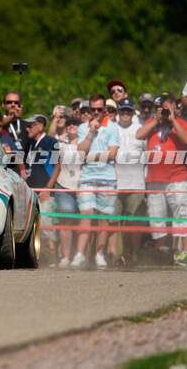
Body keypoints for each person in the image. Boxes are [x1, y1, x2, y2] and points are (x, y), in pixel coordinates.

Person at [136, 92, 187, 266]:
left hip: (177, 177)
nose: (160, 110)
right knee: (157, 216)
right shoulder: (152, 122)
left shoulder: (181, 122)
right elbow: (139, 135)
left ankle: (185, 252)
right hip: (155, 178)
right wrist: (156, 119)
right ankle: (161, 251)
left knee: (182, 213)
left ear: (173, 106)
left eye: (163, 107)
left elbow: (186, 139)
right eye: (157, 108)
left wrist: (172, 119)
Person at [72, 94, 119, 269]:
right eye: (93, 110)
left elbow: (112, 154)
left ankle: (99, 254)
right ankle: (80, 254)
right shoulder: (83, 127)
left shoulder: (112, 127)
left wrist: (91, 157)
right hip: (87, 178)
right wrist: (90, 133)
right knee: (86, 215)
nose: (96, 112)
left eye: (100, 109)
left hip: (107, 178)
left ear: (105, 109)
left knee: (103, 219)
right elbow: (81, 152)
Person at [24, 114, 60, 266]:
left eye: (30, 126)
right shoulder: (29, 143)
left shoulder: (51, 142)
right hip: (31, 190)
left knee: (46, 223)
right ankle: (39, 256)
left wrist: (48, 188)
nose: (27, 129)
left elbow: (57, 166)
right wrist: (23, 171)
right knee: (33, 224)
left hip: (45, 190)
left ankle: (53, 256)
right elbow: (25, 163)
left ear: (40, 126)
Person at [115, 97, 147, 265]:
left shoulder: (141, 129)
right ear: (119, 111)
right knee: (115, 222)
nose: (125, 113)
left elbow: (149, 155)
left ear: (133, 112)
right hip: (115, 184)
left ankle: (134, 255)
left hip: (136, 183)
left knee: (134, 222)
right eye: (123, 110)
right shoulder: (112, 128)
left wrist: (145, 179)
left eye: (128, 110)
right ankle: (117, 255)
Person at [54, 115, 82, 268]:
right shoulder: (60, 143)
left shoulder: (86, 142)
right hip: (63, 185)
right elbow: (51, 135)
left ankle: (80, 255)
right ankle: (65, 257)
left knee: (83, 223)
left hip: (82, 186)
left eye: (75, 124)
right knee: (65, 223)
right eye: (69, 124)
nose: (71, 126)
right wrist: (56, 120)